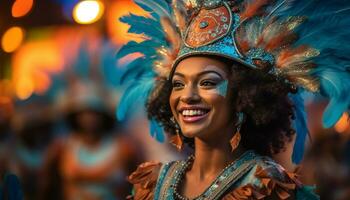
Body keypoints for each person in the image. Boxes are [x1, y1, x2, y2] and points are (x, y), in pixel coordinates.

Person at [117, 0, 350, 199]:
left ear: (243, 96)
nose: (187, 96)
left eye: (207, 82)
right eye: (178, 84)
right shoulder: (153, 183)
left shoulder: (267, 187)